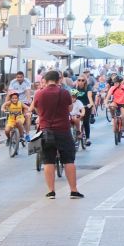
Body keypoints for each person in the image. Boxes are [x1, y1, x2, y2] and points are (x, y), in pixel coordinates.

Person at [30, 70, 82, 199]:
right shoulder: (65, 93)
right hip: (63, 130)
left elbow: (37, 110)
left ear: (45, 81)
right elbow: (70, 109)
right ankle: (73, 191)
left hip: (46, 130)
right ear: (59, 80)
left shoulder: (39, 94)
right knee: (69, 160)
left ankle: (51, 191)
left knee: (48, 161)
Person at [72, 76, 94, 147]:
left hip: (86, 106)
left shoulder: (88, 87)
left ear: (85, 81)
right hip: (77, 106)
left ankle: (87, 138)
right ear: (77, 81)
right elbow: (72, 97)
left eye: (83, 80)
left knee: (85, 121)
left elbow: (89, 96)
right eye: (79, 80)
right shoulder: (75, 88)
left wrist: (91, 103)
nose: (81, 82)